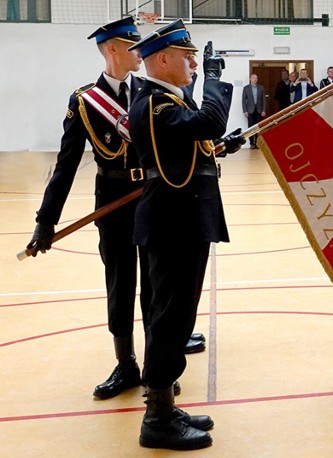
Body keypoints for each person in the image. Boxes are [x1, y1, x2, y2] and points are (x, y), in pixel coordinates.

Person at [24, 17, 205, 402]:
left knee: (158, 286)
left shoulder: (151, 89)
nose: (140, 51)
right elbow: (66, 165)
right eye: (131, 45)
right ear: (112, 50)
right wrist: (46, 221)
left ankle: (159, 367)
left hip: (155, 197)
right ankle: (126, 363)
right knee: (121, 282)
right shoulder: (85, 101)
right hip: (113, 200)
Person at [128, 19, 245, 449]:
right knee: (170, 320)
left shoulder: (164, 100)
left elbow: (195, 136)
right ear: (161, 59)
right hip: (173, 223)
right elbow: (207, 120)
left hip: (181, 220)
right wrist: (214, 79)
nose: (194, 63)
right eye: (187, 56)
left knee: (177, 318)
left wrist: (216, 146)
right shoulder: (155, 103)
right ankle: (156, 420)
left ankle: (163, 403)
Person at [241, 73, 266, 149]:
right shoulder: (246, 88)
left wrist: (264, 110)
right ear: (250, 79)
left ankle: (258, 143)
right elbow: (243, 100)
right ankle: (252, 143)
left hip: (259, 110)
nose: (255, 80)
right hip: (250, 111)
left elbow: (264, 100)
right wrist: (245, 111)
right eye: (253, 78)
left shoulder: (261, 88)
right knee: (251, 128)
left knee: (258, 127)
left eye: (256, 78)